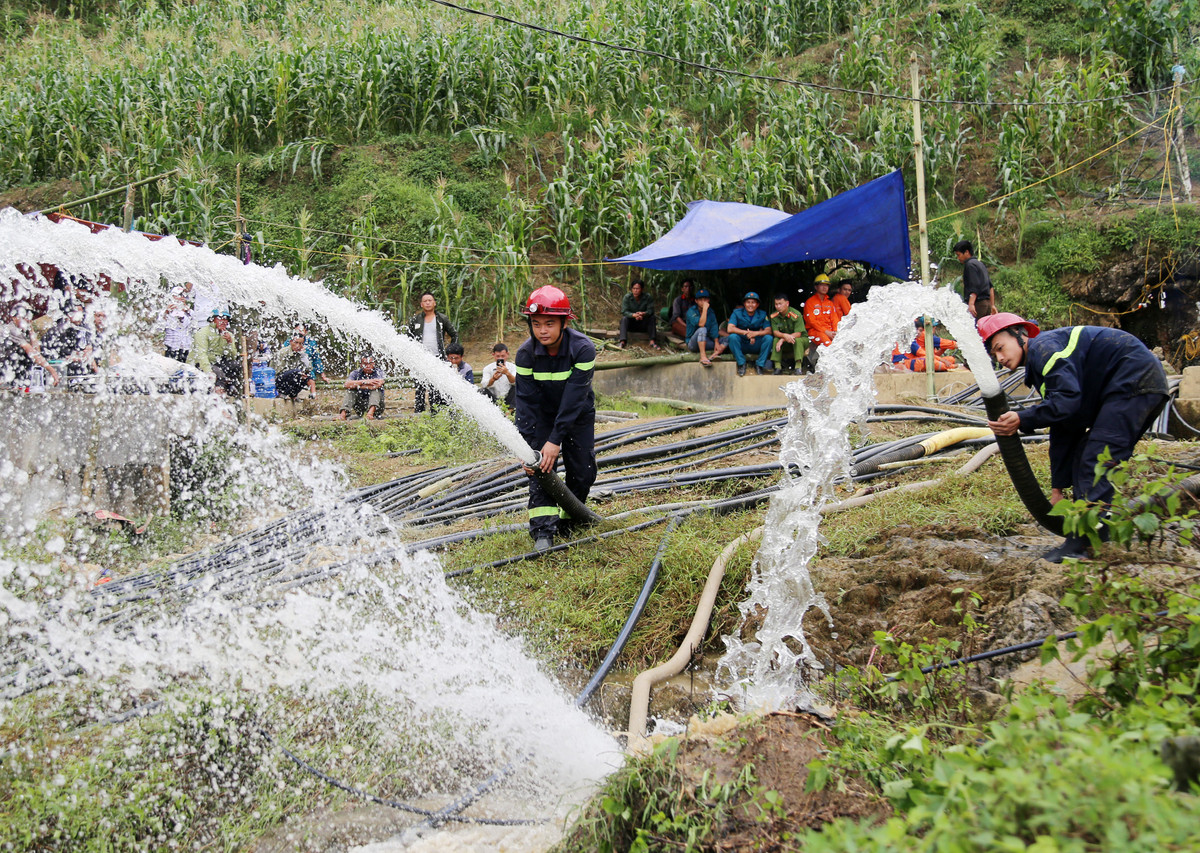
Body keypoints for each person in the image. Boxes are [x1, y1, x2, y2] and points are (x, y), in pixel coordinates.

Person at [981, 313, 1170, 563]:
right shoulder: (1044, 362)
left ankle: (1084, 544)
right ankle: (1096, 535)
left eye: (1000, 348)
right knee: (1090, 455)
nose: (1001, 358)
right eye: (994, 355)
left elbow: (1066, 403)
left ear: (1020, 334)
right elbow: (1065, 425)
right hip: (1133, 386)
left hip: (1132, 381)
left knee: (1097, 458)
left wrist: (1022, 418)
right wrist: (1058, 486)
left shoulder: (1044, 349)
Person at [514, 285, 597, 552]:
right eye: (536, 324)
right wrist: (527, 448)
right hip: (542, 417)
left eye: (550, 323)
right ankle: (542, 533)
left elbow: (574, 399)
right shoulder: (525, 355)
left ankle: (570, 519)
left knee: (583, 471)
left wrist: (556, 440)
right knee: (541, 468)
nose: (542, 330)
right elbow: (525, 404)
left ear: (564, 322)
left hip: (577, 415)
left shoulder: (583, 350)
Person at [403, 291, 459, 413]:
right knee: (420, 387)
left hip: (437, 358)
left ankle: (435, 412)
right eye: (425, 301)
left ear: (434, 303)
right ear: (421, 304)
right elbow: (407, 338)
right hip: (420, 359)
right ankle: (419, 412)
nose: (428, 303)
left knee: (435, 387)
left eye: (430, 300)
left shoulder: (442, 319)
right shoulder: (416, 320)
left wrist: (450, 351)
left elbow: (454, 334)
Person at [0, 307, 60, 388]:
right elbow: (32, 352)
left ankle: (19, 387)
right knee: (18, 354)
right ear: (14, 318)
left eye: (28, 317)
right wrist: (52, 371)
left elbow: (36, 352)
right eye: (24, 317)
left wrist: (31, 330)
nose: (27, 320)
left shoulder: (23, 330)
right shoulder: (11, 329)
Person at [189, 309, 240, 395]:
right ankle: (218, 390)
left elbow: (233, 356)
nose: (223, 322)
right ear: (213, 320)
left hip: (217, 362)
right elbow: (201, 355)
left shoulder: (228, 335)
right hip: (200, 364)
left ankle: (231, 388)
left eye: (225, 319)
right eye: (220, 318)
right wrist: (209, 371)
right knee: (217, 371)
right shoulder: (203, 333)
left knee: (235, 365)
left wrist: (229, 343)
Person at [726, 291, 773, 376]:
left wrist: (755, 334)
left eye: (753, 302)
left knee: (769, 338)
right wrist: (746, 333)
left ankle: (760, 365)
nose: (750, 305)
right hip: (742, 343)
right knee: (732, 337)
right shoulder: (737, 313)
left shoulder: (762, 314)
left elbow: (769, 330)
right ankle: (741, 363)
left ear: (757, 304)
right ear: (744, 303)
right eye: (748, 302)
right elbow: (730, 328)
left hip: (756, 343)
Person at [803, 274, 840, 370]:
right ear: (816, 287)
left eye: (826, 285)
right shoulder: (810, 302)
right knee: (828, 345)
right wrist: (826, 332)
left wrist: (835, 332)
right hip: (815, 331)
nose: (824, 287)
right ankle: (830, 369)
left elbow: (834, 319)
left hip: (830, 332)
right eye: (822, 285)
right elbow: (812, 322)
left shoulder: (830, 303)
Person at [954, 240, 997, 320]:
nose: (958, 258)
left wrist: (971, 303)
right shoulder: (980, 264)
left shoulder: (969, 265)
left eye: (959, 255)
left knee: (976, 330)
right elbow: (990, 286)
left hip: (978, 304)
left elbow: (974, 285)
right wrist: (992, 305)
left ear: (966, 252)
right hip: (986, 304)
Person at [684, 288, 727, 367]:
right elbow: (701, 324)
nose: (703, 302)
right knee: (702, 329)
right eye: (700, 300)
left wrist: (717, 343)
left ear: (708, 300)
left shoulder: (711, 312)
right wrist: (704, 310)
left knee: (729, 338)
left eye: (705, 299)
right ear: (696, 301)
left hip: (707, 341)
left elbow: (714, 328)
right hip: (693, 343)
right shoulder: (691, 311)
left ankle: (714, 354)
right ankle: (703, 357)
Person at [339, 353, 386, 420]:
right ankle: (343, 414)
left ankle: (370, 414)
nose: (368, 366)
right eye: (365, 364)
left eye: (370, 363)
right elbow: (346, 384)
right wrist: (365, 382)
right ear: (361, 364)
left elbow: (378, 384)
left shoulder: (379, 372)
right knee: (351, 390)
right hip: (360, 406)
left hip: (377, 407)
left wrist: (357, 385)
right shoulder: (356, 373)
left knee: (376, 390)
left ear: (374, 364)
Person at [769, 292, 807, 376]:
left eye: (780, 304)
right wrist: (783, 336)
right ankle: (777, 367)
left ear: (787, 303)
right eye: (776, 304)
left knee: (798, 340)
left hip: (799, 340)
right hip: (786, 342)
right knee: (776, 340)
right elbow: (775, 332)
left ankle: (798, 367)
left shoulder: (796, 314)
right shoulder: (774, 316)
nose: (778, 306)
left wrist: (783, 338)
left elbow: (798, 333)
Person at [273, 334, 321, 399]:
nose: (298, 346)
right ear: (290, 342)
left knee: (306, 375)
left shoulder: (301, 354)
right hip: (278, 382)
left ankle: (293, 395)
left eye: (301, 343)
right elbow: (278, 372)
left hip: (293, 378)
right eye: (296, 342)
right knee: (297, 373)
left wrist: (304, 356)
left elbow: (309, 369)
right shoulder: (283, 353)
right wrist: (297, 373)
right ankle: (281, 393)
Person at [618, 279, 659, 350]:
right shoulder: (627, 297)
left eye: (637, 288)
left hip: (643, 324)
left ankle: (652, 341)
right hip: (631, 324)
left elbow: (651, 310)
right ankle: (622, 341)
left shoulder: (647, 297)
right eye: (634, 288)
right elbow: (624, 311)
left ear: (642, 289)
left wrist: (643, 314)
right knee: (624, 319)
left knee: (652, 318)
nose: (635, 290)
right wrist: (633, 315)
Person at [160, 287, 193, 363]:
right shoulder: (165, 311)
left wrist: (186, 311)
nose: (181, 298)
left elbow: (194, 325)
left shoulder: (189, 311)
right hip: (171, 346)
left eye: (183, 296)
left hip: (186, 347)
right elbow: (159, 327)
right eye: (178, 296)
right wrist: (166, 313)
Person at [480, 342, 516, 407]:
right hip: (494, 398)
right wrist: (493, 379)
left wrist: (507, 373)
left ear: (507, 354)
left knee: (517, 388)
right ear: (493, 355)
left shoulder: (513, 367)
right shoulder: (488, 368)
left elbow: (515, 382)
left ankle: (510, 410)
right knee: (482, 391)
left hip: (509, 398)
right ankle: (491, 410)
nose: (500, 359)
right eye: (498, 356)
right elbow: (484, 384)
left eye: (503, 356)